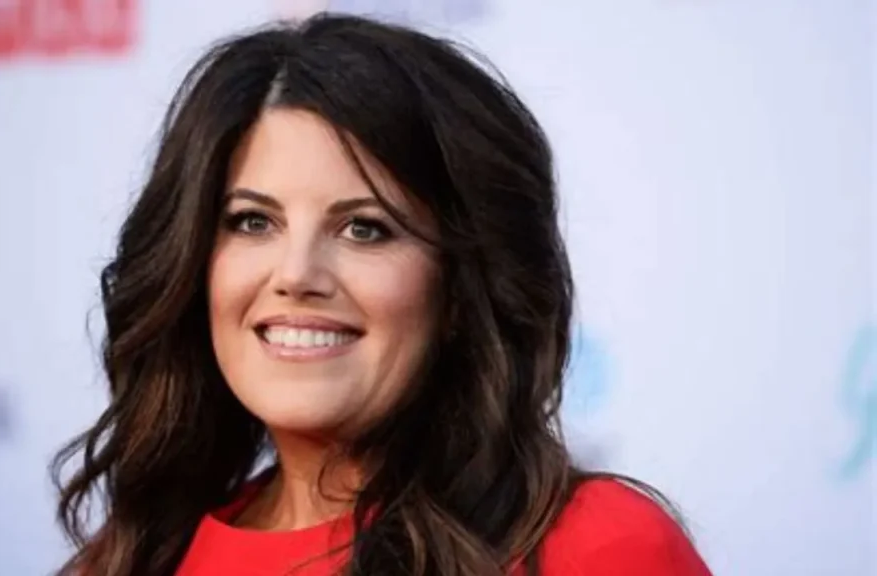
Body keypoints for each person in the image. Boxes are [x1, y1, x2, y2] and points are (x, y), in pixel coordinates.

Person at [51, 12, 713, 576]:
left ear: (460, 290)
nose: (296, 274)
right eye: (253, 221)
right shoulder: (132, 561)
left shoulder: (599, 547)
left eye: (364, 229)